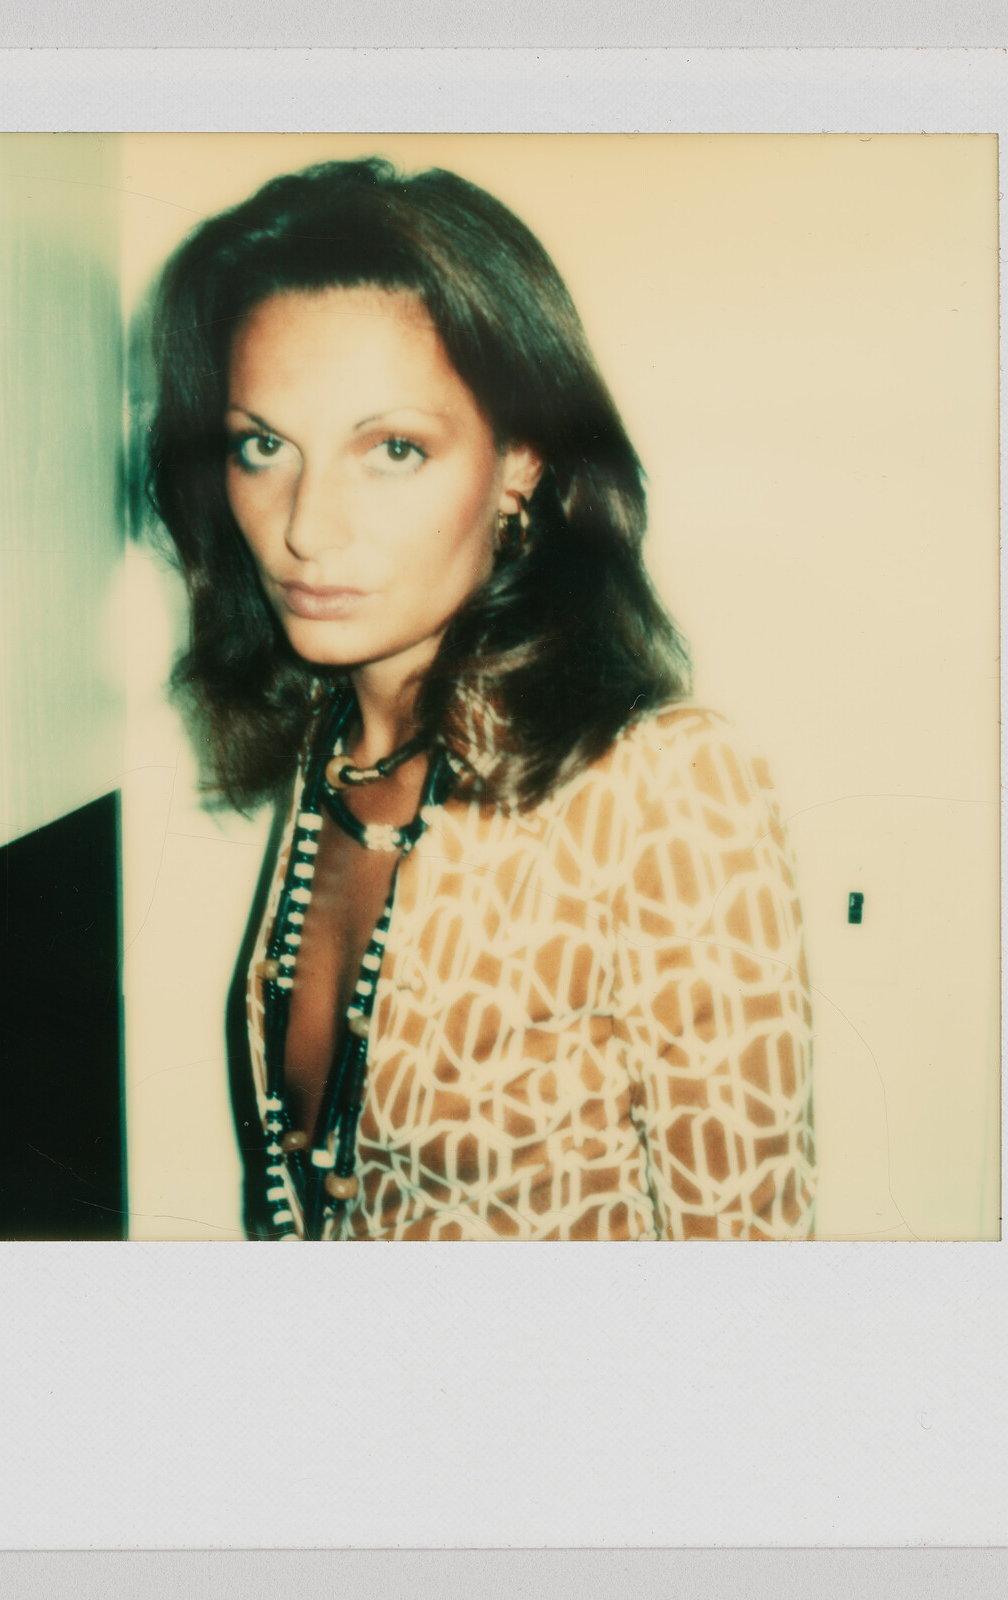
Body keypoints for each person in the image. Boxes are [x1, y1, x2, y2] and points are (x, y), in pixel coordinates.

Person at [145, 157, 815, 1241]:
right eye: (263, 446)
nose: (306, 527)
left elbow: (746, 1287)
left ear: (518, 463)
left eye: (392, 449)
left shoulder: (666, 787)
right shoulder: (333, 741)